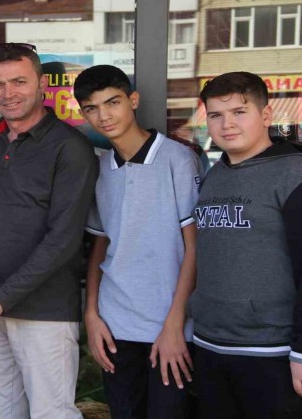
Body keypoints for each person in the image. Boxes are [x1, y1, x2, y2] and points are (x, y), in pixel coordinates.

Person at [0, 43, 98, 419]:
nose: (8, 93)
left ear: (41, 84)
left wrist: (4, 296)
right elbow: (7, 210)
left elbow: (64, 238)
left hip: (44, 311)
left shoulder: (70, 148)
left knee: (52, 413)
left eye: (19, 81)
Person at [192, 71, 302, 418]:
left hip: (273, 352)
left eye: (239, 112)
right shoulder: (215, 175)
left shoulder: (297, 176)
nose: (227, 124)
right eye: (216, 115)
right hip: (210, 345)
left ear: (266, 115)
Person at [74, 65, 200, 419]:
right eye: (92, 108)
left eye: (112, 102)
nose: (104, 116)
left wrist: (175, 324)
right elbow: (100, 246)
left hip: (170, 326)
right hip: (116, 325)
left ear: (133, 100)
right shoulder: (100, 169)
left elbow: (195, 248)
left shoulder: (178, 160)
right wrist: (92, 315)